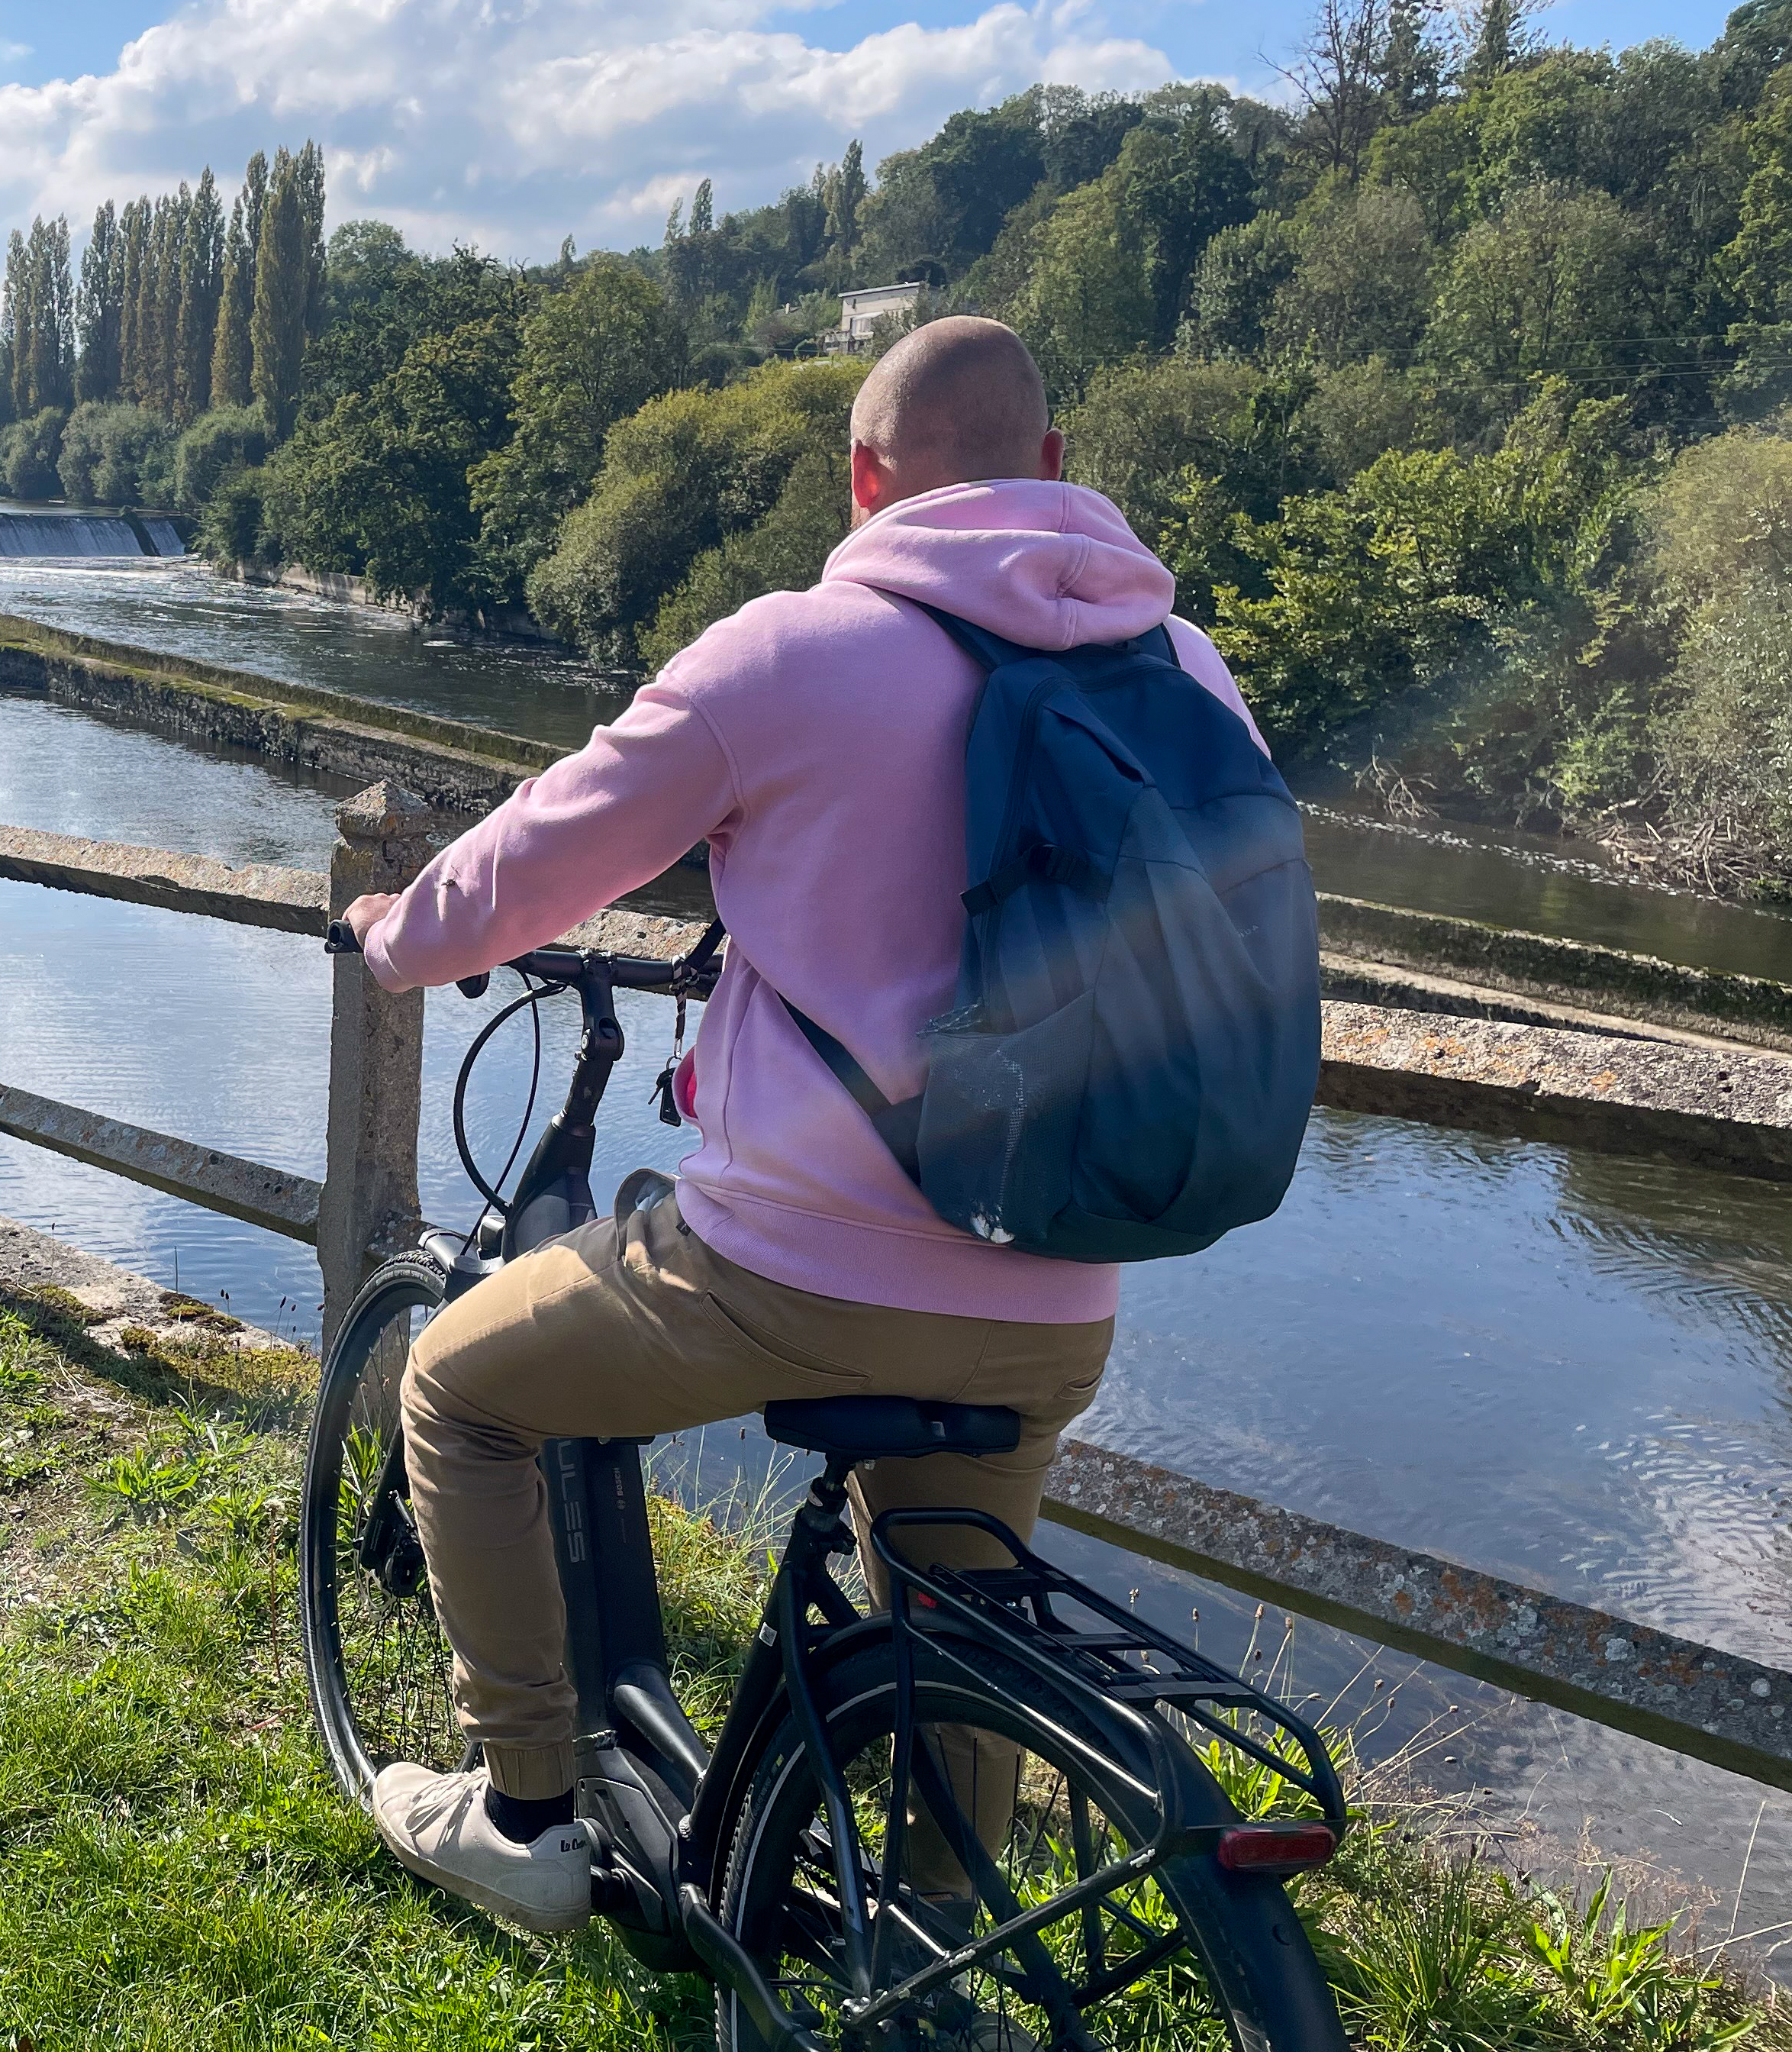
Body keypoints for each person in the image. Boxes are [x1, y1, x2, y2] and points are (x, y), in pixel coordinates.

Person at [337, 316, 1270, 1934]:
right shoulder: (1186, 669)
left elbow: (535, 857)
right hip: (1058, 1289)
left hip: (793, 1269)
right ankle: (933, 1945)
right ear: (1057, 468)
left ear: (862, 482)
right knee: (954, 1612)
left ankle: (526, 1812)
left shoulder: (794, 653)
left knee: (457, 1391)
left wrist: (393, 935)